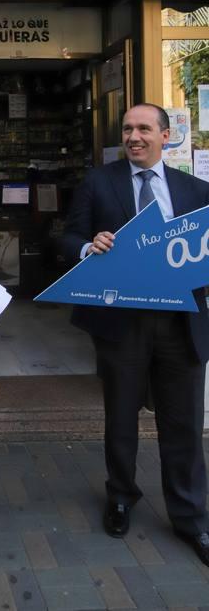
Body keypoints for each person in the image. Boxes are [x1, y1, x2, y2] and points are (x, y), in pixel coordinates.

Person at [62, 103, 209, 562]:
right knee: (121, 419)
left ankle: (190, 518)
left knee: (183, 424)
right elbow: (66, 237)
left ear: (166, 136)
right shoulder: (98, 181)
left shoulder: (197, 190)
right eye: (127, 129)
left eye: (144, 128)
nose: (134, 136)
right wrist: (88, 246)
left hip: (182, 323)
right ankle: (121, 497)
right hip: (121, 322)